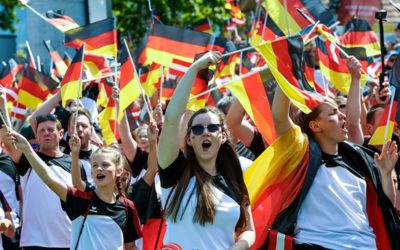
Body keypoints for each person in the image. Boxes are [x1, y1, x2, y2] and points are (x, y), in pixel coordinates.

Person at [268, 57, 400, 249]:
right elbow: (279, 118)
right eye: (332, 114)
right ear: (315, 126)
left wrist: (386, 174)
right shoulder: (300, 155)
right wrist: (289, 65)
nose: (342, 115)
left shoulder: (359, 158)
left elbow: (385, 208)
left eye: (339, 111)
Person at [158, 51, 255, 249]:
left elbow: (247, 230)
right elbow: (171, 120)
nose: (205, 133)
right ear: (189, 138)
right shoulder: (174, 174)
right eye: (197, 129)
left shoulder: (234, 180)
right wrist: (194, 69)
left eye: (212, 128)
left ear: (223, 136)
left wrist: (239, 246)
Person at [5, 130, 142, 249]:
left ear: (118, 171)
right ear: (91, 173)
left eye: (105, 164)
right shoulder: (80, 200)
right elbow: (48, 178)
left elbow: (131, 247)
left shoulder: (128, 207)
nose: (99, 168)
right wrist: (27, 148)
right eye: (94, 165)